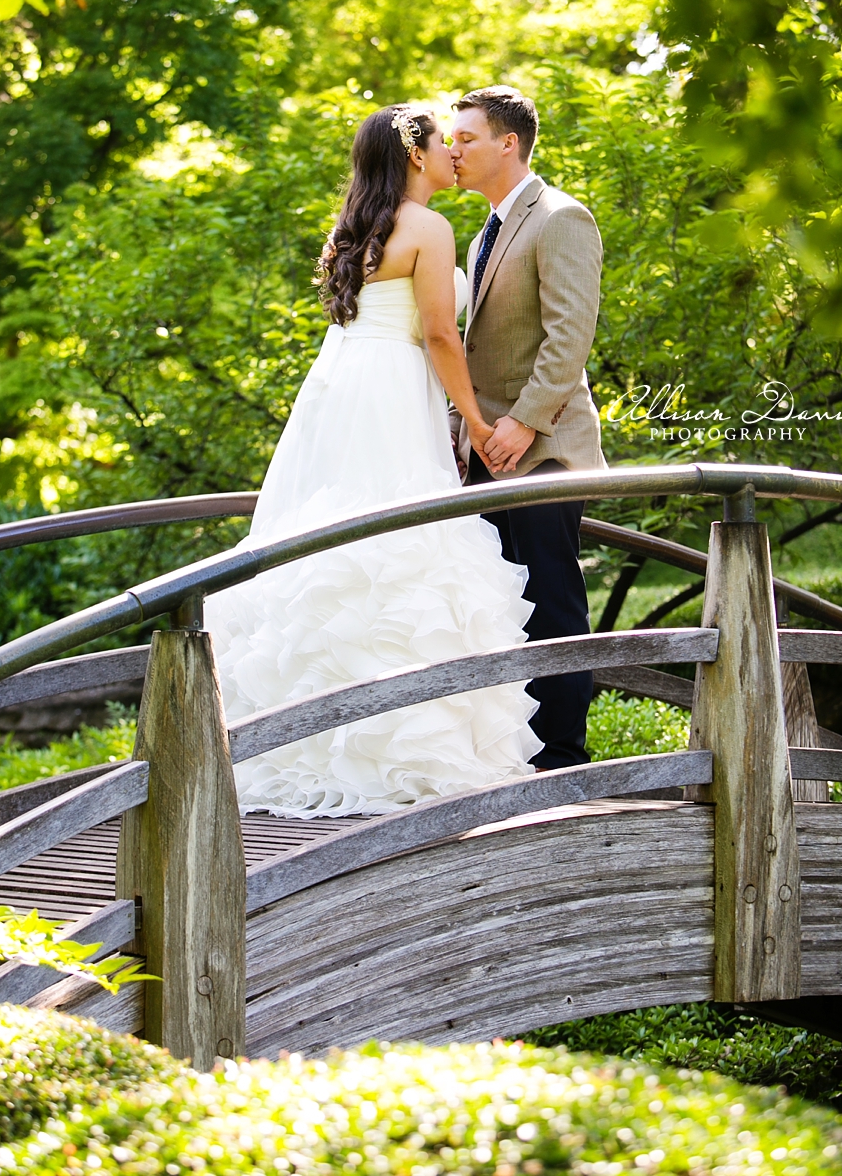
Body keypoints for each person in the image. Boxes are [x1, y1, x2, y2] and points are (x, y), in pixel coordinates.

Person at [202, 103, 539, 818]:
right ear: (415, 156)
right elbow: (443, 337)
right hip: (392, 395)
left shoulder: (360, 226)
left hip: (346, 390)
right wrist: (477, 424)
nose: (454, 153)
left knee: (340, 546)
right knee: (401, 550)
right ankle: (401, 745)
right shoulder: (430, 227)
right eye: (443, 143)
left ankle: (308, 735)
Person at [448, 85, 607, 772]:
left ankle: (564, 761)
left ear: (508, 144)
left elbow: (570, 337)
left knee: (550, 599)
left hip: (542, 450)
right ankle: (513, 753)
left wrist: (523, 421)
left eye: (466, 138)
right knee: (499, 602)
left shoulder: (561, 219)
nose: (452, 150)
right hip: (487, 453)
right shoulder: (485, 228)